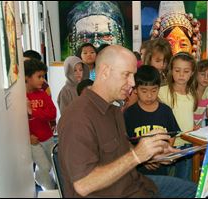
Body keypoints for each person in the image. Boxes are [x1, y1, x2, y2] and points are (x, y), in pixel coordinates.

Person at [57, 45, 197, 197]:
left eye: (133, 75)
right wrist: (137, 155)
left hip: (136, 184)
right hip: (117, 192)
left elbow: (122, 151)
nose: (132, 82)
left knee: (198, 190)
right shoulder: (78, 118)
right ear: (105, 71)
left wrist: (151, 155)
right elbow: (83, 184)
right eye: (126, 75)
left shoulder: (113, 109)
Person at [124, 65, 180, 176]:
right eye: (144, 91)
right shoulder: (129, 114)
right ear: (135, 90)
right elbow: (125, 141)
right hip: (138, 171)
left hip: (161, 168)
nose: (149, 95)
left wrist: (163, 153)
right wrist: (143, 158)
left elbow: (172, 135)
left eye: (154, 91)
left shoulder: (166, 111)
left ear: (159, 88)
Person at [158, 52, 198, 180]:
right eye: (177, 70)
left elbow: (188, 117)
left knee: (183, 181)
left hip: (187, 144)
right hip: (167, 144)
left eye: (186, 71)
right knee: (166, 182)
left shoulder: (192, 94)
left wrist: (194, 128)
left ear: (192, 73)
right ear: (171, 71)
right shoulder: (162, 92)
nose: (181, 75)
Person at [24, 59, 56, 190]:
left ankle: (53, 187)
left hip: (48, 137)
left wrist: (34, 111)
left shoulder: (43, 94)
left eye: (43, 76)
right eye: (39, 77)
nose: (42, 80)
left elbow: (52, 113)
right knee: (45, 166)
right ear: (27, 78)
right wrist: (28, 136)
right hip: (34, 141)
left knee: (53, 163)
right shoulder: (21, 97)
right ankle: (46, 187)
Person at [193, 59, 208, 128]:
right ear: (196, 74)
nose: (206, 78)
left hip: (198, 127)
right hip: (186, 125)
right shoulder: (189, 91)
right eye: (202, 74)